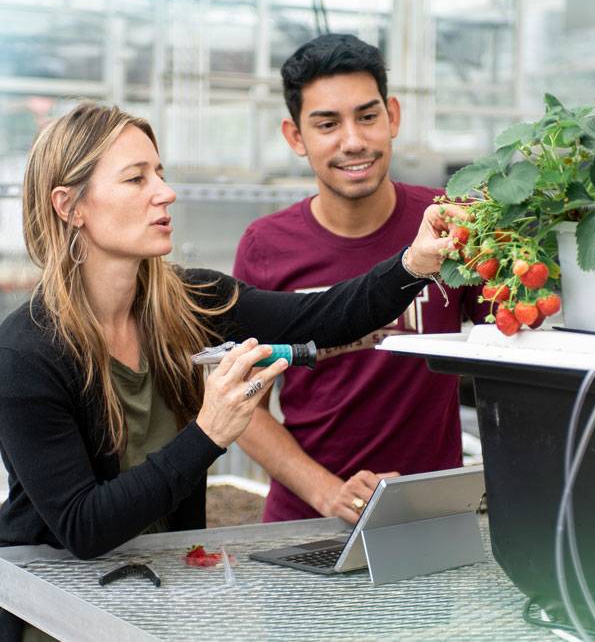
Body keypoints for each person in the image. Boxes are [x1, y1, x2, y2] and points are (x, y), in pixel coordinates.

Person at [0, 102, 457, 640]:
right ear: (69, 206)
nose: (164, 192)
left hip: (154, 595)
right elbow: (84, 526)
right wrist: (210, 431)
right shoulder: (26, 353)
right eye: (135, 178)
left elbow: (323, 315)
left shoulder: (191, 301)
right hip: (51, 611)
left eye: (161, 173)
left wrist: (417, 263)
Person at [234, 34, 487, 525]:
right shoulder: (266, 248)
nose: (353, 141)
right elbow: (246, 403)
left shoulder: (449, 221)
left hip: (429, 517)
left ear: (392, 116)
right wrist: (329, 493)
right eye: (327, 124)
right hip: (304, 523)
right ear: (295, 137)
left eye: (367, 116)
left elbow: (512, 355)